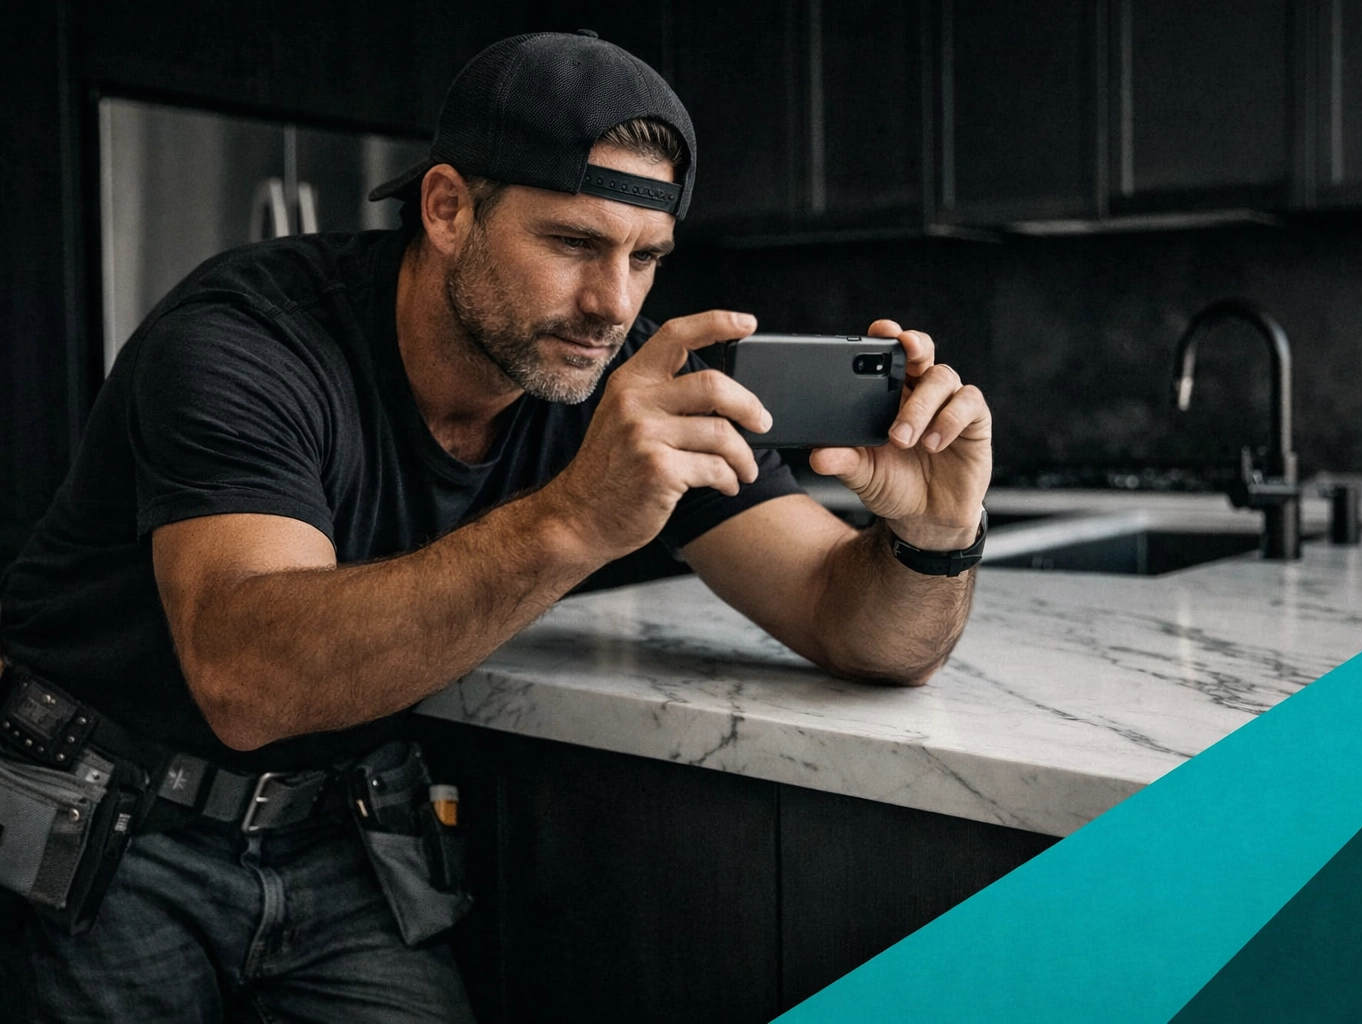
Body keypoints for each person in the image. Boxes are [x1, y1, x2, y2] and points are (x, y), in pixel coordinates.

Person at [0, 30, 990, 1022]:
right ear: (446, 208)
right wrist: (576, 515)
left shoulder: (619, 372)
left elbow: (850, 621)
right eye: (572, 244)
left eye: (646, 257)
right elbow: (249, 683)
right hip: (102, 825)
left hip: (338, 827)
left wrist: (936, 536)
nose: (612, 304)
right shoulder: (241, 340)